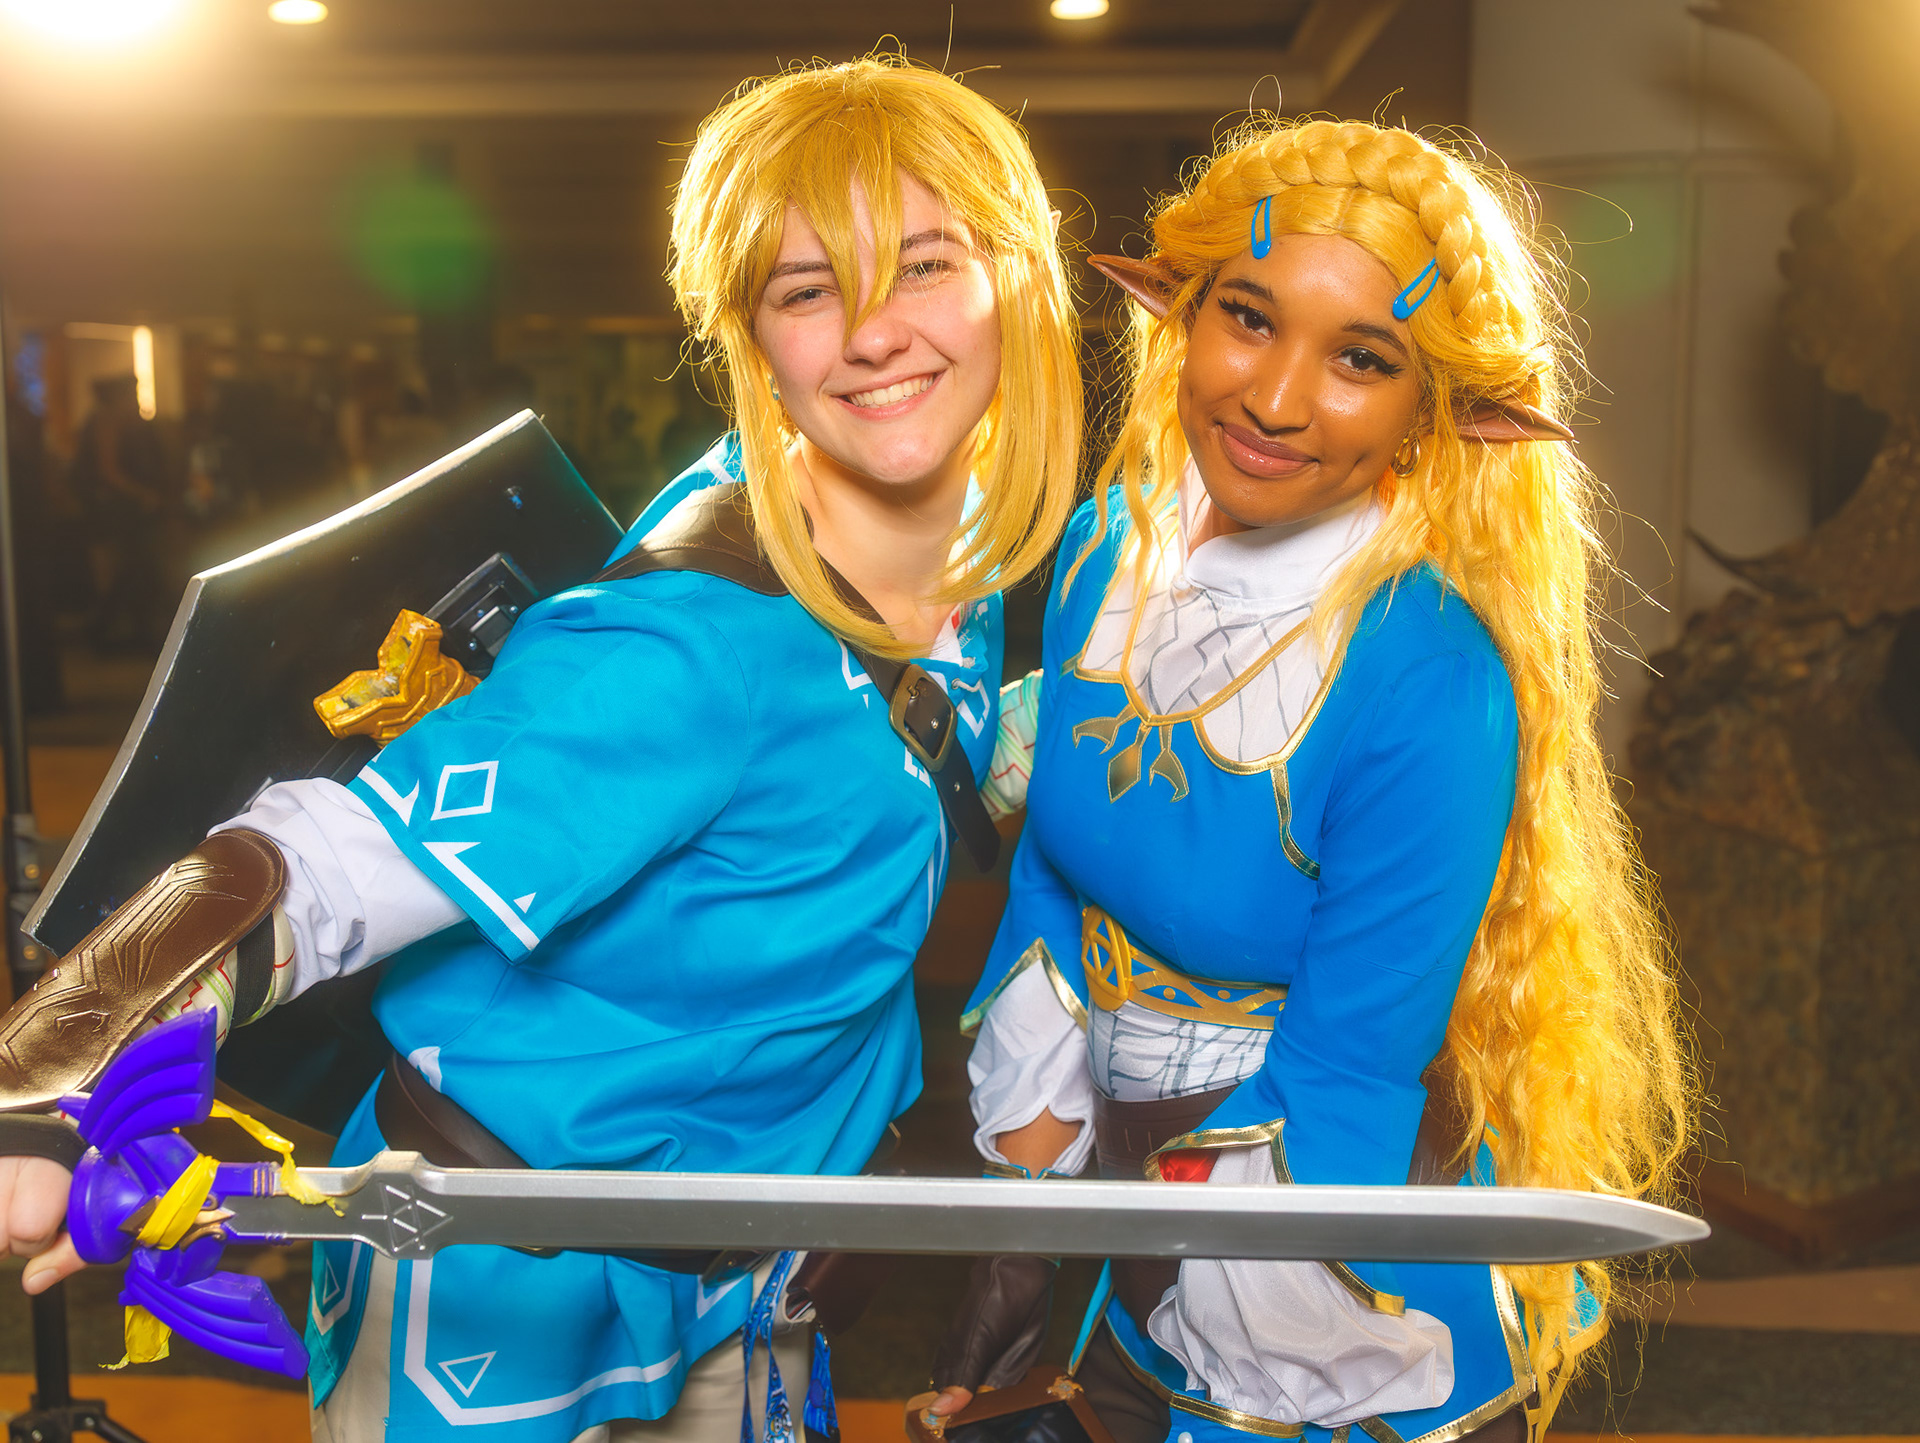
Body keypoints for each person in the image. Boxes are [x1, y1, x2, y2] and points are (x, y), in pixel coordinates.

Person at [0, 56, 1081, 1443]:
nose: (874, 333)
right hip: (495, 1272)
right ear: (754, 339)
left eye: (925, 264)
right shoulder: (686, 646)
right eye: (808, 289)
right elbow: (325, 865)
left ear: (1017, 281)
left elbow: (897, 768)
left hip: (747, 1284)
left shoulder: (958, 577)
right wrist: (52, 1086)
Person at [932, 118, 1693, 1443]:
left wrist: (1161, 1268)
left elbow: (1349, 1062)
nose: (1277, 400)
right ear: (1182, 311)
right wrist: (1024, 1229)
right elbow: (1050, 878)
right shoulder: (1108, 547)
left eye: (1361, 359)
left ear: (1435, 411)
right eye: (1249, 317)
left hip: (1316, 1282)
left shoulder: (1430, 675)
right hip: (1137, 1224)